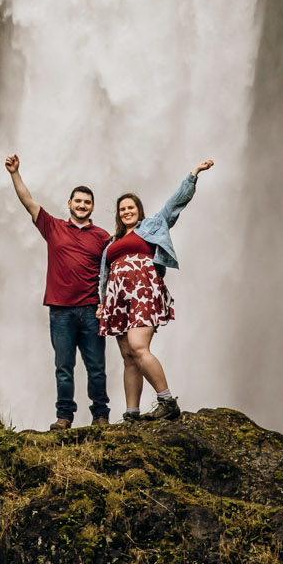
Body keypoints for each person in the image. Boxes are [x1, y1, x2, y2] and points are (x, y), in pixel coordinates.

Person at [98, 160, 213, 422]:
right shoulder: (111, 243)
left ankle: (167, 400)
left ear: (139, 211)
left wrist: (193, 175)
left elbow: (175, 203)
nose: (127, 212)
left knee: (138, 347)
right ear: (118, 215)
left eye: (131, 207)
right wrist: (102, 303)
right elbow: (103, 277)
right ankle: (131, 413)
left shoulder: (152, 225)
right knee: (128, 357)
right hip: (118, 299)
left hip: (143, 292)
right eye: (122, 209)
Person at [5, 154, 112, 430]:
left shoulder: (102, 237)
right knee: (64, 369)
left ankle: (101, 416)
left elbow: (116, 269)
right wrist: (15, 173)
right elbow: (27, 201)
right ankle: (64, 417)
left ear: (92, 207)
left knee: (96, 369)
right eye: (78, 201)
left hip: (91, 310)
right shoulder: (53, 227)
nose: (82, 205)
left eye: (87, 202)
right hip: (60, 311)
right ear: (69, 204)